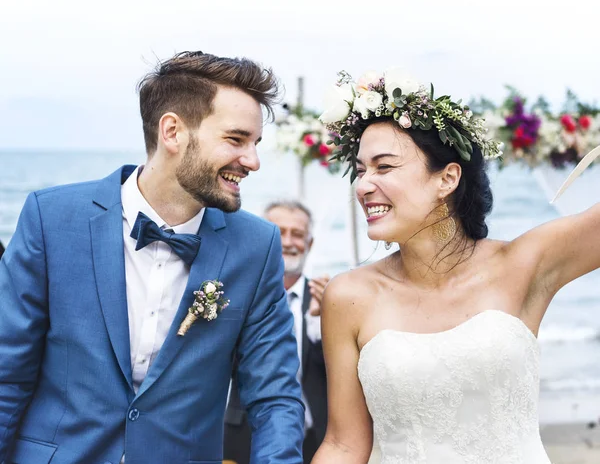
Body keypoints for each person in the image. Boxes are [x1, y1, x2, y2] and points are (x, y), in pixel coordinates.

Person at [0, 51, 305, 464]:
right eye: (236, 139)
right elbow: (6, 375)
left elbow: (275, 399)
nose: (252, 161)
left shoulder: (257, 245)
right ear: (173, 132)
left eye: (255, 143)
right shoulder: (51, 218)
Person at [311, 67, 598, 464]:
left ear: (446, 179)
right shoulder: (349, 296)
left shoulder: (523, 263)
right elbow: (344, 444)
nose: (362, 185)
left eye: (384, 166)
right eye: (360, 171)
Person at [224, 201, 329, 464]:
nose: (288, 241)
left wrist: (320, 321)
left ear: (310, 243)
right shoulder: (236, 294)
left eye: (297, 234)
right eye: (279, 232)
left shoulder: (328, 297)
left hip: (317, 438)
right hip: (245, 435)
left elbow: (339, 372)